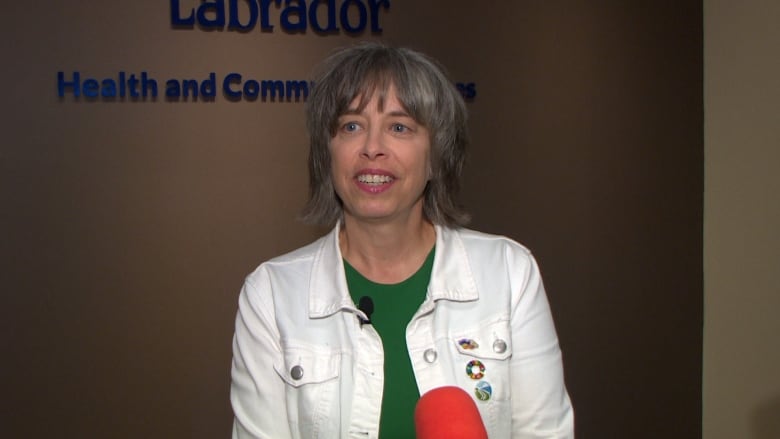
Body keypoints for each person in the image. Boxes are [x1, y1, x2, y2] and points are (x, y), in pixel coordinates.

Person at [230, 42, 574, 438]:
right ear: (328, 153)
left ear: (436, 154)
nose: (372, 148)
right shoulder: (270, 296)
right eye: (351, 126)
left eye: (399, 127)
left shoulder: (510, 274)